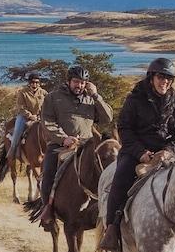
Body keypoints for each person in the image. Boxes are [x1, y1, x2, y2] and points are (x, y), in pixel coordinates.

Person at [100, 57, 175, 252]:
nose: (164, 81)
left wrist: (170, 148)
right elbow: (125, 127)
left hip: (170, 152)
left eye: (168, 78)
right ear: (151, 78)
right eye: (161, 77)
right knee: (120, 177)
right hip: (139, 151)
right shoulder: (135, 99)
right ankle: (112, 227)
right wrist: (141, 153)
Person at [34, 64, 116, 227]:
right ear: (69, 81)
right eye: (76, 82)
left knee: (109, 171)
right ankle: (48, 209)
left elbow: (107, 118)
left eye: (83, 82)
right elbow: (47, 122)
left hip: (88, 145)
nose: (79, 85)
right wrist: (64, 138)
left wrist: (96, 96)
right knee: (48, 172)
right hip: (61, 145)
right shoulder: (53, 97)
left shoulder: (90, 98)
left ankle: (111, 211)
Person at [0, 73, 47, 186]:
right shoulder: (23, 92)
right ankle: (11, 152)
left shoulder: (44, 93)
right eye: (32, 82)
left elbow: (48, 105)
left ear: (39, 83)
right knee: (17, 133)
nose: (34, 84)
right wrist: (30, 115)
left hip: (39, 118)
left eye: (36, 82)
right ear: (29, 83)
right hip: (24, 118)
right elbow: (20, 107)